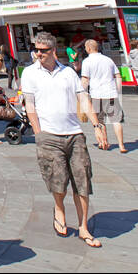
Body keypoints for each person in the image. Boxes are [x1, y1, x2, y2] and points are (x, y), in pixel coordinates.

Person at [20, 32, 107, 247]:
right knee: (57, 181)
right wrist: (38, 132)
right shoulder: (29, 73)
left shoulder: (68, 73)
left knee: (82, 179)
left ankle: (84, 227)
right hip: (48, 134)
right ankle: (59, 208)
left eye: (43, 50)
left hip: (74, 133)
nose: (38, 54)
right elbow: (29, 104)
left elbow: (83, 98)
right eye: (36, 50)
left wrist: (97, 125)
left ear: (53, 51)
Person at [80, 39, 126, 153]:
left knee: (100, 121)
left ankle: (104, 142)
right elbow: (117, 75)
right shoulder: (108, 60)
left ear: (88, 48)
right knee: (116, 121)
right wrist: (118, 90)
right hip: (111, 93)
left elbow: (85, 79)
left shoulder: (87, 62)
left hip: (96, 94)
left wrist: (82, 92)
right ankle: (121, 145)